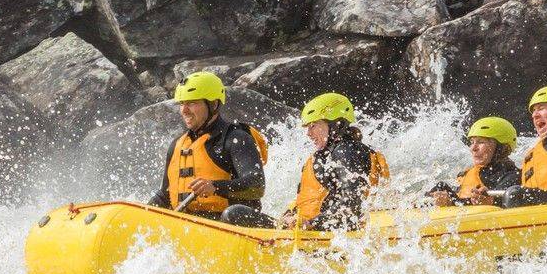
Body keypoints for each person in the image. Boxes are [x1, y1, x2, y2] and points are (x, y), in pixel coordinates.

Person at [150, 72, 271, 227]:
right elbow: (165, 196)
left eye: (192, 103)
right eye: (182, 104)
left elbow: (257, 186)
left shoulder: (236, 138)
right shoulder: (176, 145)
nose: (184, 110)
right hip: (190, 228)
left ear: (213, 105)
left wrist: (215, 187)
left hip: (232, 226)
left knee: (232, 213)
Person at [286, 92, 389, 231]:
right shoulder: (327, 156)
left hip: (334, 235)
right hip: (319, 230)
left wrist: (311, 223)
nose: (309, 134)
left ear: (336, 124)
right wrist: (290, 214)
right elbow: (310, 198)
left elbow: (351, 202)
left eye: (314, 125)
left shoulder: (346, 152)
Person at [428, 117, 522, 208]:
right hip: (460, 217)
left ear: (503, 148)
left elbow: (500, 204)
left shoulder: (512, 176)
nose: (473, 148)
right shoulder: (465, 174)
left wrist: (450, 202)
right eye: (472, 142)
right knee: (440, 186)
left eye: (481, 142)